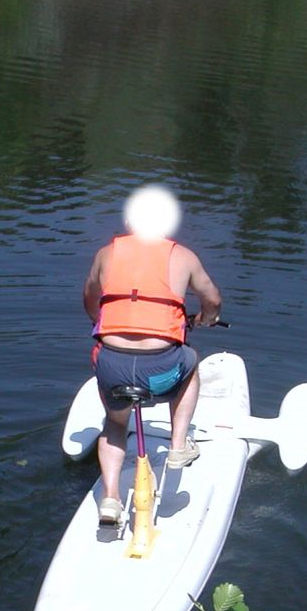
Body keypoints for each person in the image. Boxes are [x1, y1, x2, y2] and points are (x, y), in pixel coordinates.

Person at [83, 186, 222, 526]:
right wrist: (207, 318)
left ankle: (111, 500)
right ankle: (178, 444)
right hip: (162, 368)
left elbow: (89, 298)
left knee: (115, 427)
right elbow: (212, 300)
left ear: (129, 220)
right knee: (190, 362)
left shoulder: (106, 254)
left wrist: (103, 323)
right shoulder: (183, 256)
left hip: (112, 365)